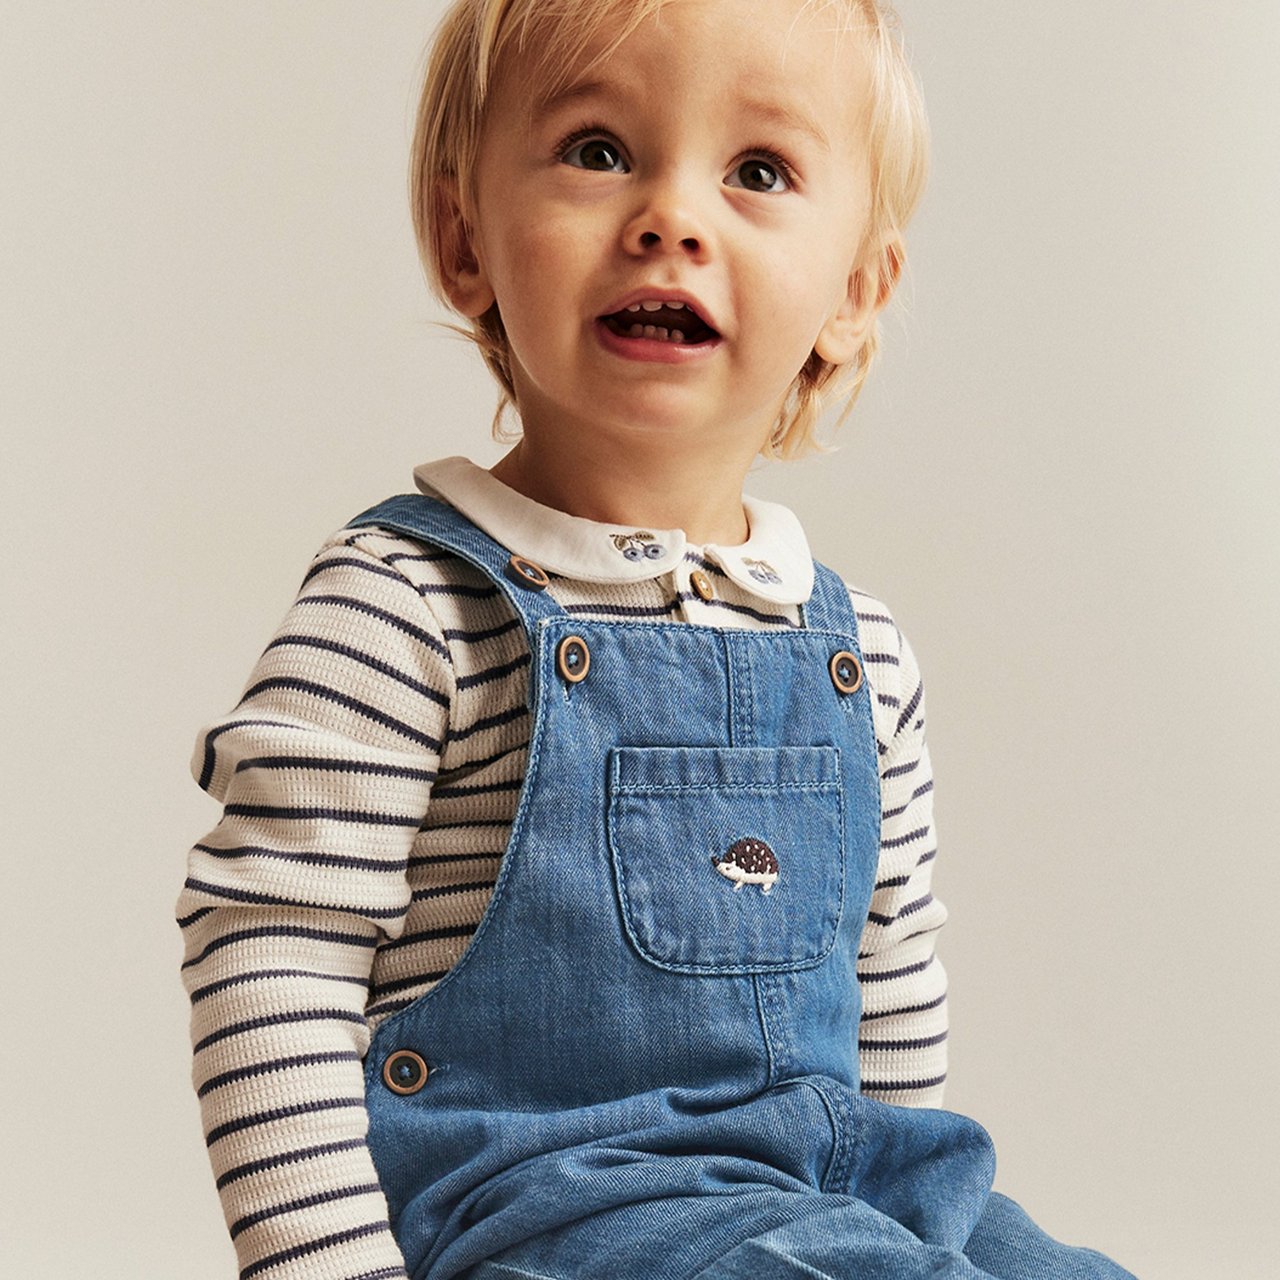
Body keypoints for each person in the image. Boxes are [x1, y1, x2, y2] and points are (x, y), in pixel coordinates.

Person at [175, 2, 1139, 1277]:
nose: (668, 218)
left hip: (810, 1196)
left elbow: (890, 992)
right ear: (463, 238)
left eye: (756, 171)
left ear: (853, 292)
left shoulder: (861, 655)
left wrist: (919, 1221)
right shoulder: (408, 604)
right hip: (547, 1217)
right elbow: (268, 950)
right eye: (595, 150)